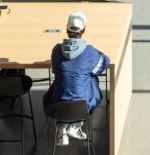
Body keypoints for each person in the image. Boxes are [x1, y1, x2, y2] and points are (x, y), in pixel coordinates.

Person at [43, 11, 110, 146]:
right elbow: (105, 62)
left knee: (62, 83)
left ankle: (62, 127)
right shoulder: (90, 52)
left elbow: (55, 70)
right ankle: (76, 125)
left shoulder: (56, 50)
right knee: (92, 79)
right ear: (84, 30)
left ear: (67, 29)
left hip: (57, 106)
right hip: (82, 107)